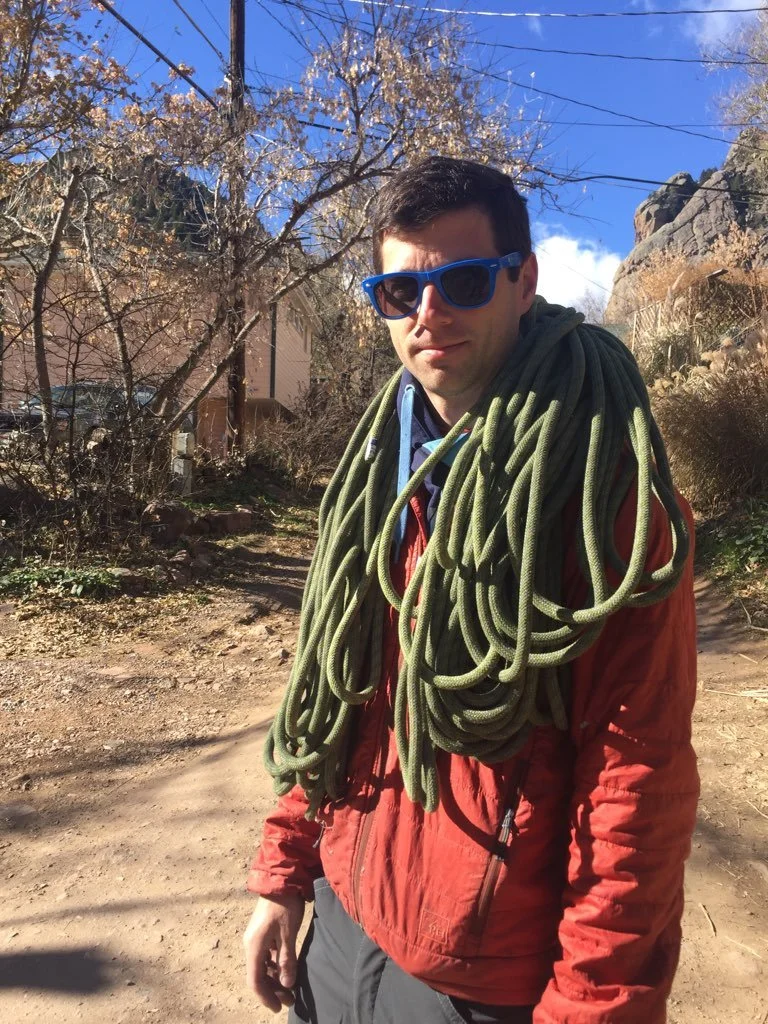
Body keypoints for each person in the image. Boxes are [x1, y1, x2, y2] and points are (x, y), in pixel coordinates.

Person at [243, 156, 699, 1024]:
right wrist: (287, 870)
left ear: (522, 281)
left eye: (462, 281)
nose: (429, 315)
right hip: (343, 917)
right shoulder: (379, 476)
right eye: (398, 292)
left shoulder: (610, 506)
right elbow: (334, 690)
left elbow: (636, 784)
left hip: (483, 982)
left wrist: (593, 1007)